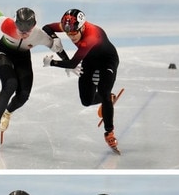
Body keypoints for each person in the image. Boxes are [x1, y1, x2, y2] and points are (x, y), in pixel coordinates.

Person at [0, 0, 79, 149]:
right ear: (15, 24)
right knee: (10, 84)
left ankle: (7, 112)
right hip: (3, 53)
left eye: (28, 32)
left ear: (33, 27)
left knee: (23, 95)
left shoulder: (39, 35)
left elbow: (57, 48)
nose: (24, 34)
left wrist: (69, 63)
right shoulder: (6, 24)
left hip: (22, 57)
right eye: (21, 31)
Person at [42, 10, 121, 153]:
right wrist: (55, 38)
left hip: (107, 61)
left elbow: (72, 64)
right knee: (86, 101)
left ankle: (109, 132)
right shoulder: (69, 26)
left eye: (73, 33)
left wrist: (52, 63)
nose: (71, 37)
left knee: (103, 92)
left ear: (82, 27)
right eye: (68, 33)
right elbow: (46, 28)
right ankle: (109, 99)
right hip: (90, 60)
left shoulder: (90, 37)